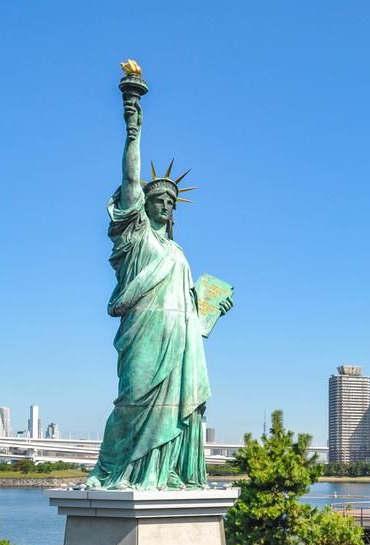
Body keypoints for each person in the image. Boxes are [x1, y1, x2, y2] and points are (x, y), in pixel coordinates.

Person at [85, 90, 231, 490]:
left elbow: (188, 306)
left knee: (178, 408)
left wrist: (211, 309)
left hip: (180, 340)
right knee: (131, 401)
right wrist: (133, 131)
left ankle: (165, 472)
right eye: (158, 199)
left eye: (170, 201)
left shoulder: (178, 252)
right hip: (144, 334)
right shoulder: (136, 240)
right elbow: (130, 181)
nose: (165, 205)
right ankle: (117, 469)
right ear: (144, 206)